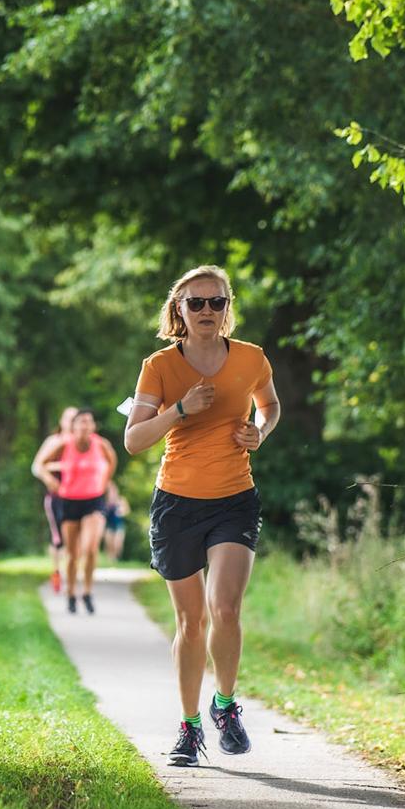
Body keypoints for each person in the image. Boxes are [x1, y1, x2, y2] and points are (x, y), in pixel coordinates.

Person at [123, 265, 281, 768]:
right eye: (197, 303)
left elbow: (270, 405)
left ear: (227, 308)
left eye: (217, 302)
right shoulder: (161, 366)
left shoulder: (252, 358)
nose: (207, 311)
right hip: (177, 502)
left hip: (235, 497)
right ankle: (190, 727)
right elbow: (133, 440)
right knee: (191, 622)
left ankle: (226, 706)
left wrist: (260, 431)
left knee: (226, 609)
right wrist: (181, 410)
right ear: (180, 311)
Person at [32, 408, 117, 615]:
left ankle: (87, 591)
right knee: (72, 555)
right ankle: (71, 593)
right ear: (73, 426)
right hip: (69, 501)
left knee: (90, 548)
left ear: (93, 426)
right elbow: (40, 465)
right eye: (80, 422)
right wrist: (51, 480)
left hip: (94, 501)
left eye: (88, 422)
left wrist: (104, 483)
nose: (84, 426)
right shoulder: (63, 444)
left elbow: (112, 462)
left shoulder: (101, 445)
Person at [31, 406, 78, 592]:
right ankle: (57, 572)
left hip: (78, 496)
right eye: (68, 418)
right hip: (57, 496)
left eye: (76, 419)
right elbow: (37, 466)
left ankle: (71, 571)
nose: (72, 422)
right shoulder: (54, 441)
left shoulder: (83, 443)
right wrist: (51, 480)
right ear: (62, 421)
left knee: (74, 537)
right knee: (58, 537)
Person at [102, 483, 130, 562]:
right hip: (109, 525)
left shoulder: (121, 500)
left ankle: (115, 558)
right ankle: (110, 560)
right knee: (109, 543)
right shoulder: (106, 501)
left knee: (118, 544)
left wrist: (122, 511)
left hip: (119, 525)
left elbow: (127, 510)